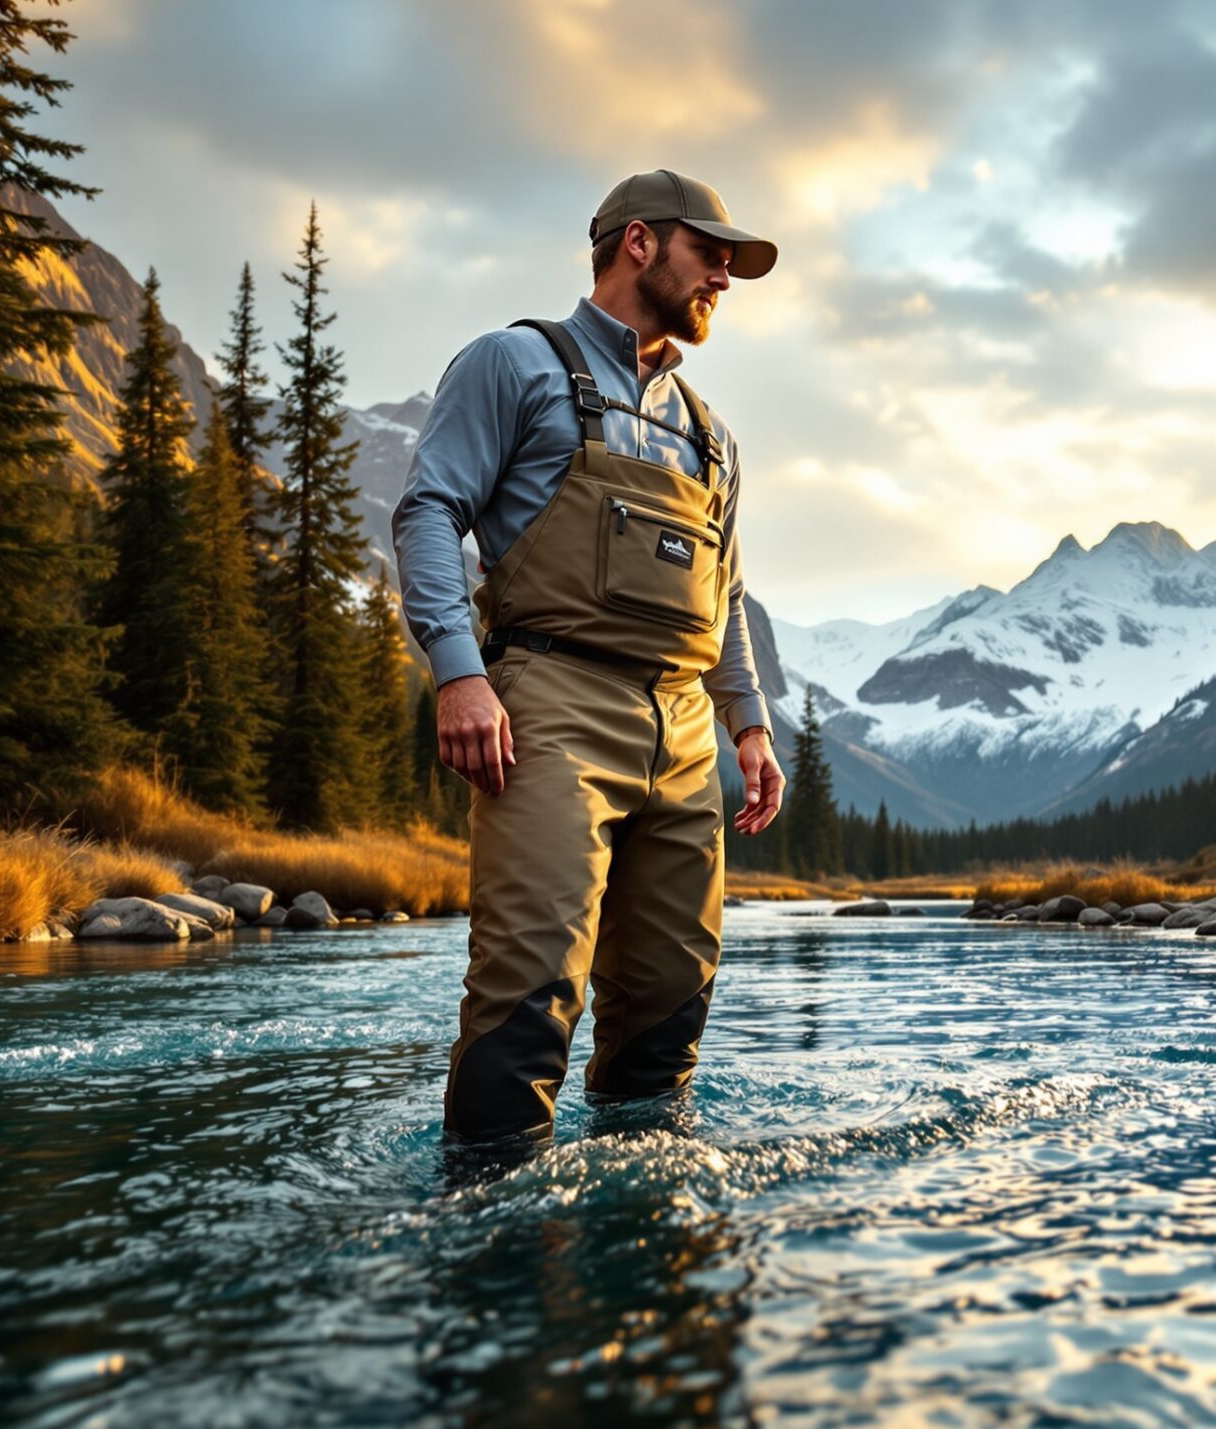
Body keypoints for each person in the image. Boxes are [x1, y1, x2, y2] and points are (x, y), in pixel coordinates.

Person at [391, 169, 786, 1149]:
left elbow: (724, 594)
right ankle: (486, 1228)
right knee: (532, 984)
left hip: (688, 734)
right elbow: (430, 509)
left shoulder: (713, 437)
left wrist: (749, 724)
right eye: (713, 254)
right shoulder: (513, 364)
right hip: (551, 706)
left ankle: (638, 1225)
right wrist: (459, 672)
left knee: (669, 999)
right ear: (639, 243)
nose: (725, 279)